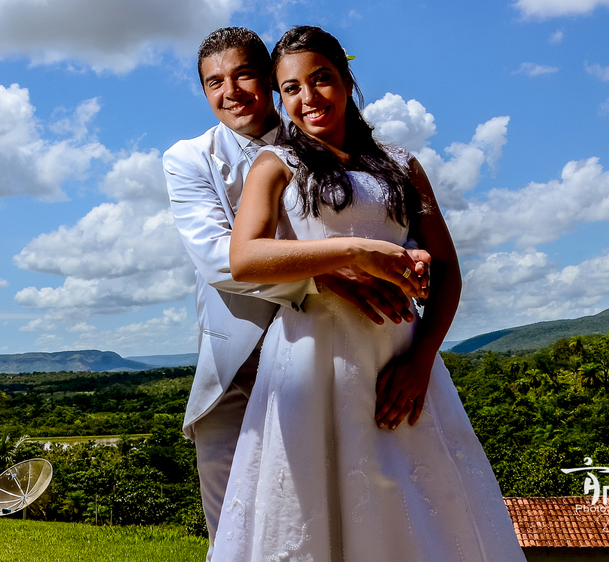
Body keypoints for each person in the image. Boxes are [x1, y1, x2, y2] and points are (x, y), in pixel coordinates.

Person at [212, 26, 525, 562]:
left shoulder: (402, 165)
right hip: (311, 360)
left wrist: (423, 359)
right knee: (311, 507)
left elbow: (447, 271)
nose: (308, 98)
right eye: (291, 89)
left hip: (397, 359)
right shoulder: (276, 164)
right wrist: (354, 252)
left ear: (348, 79)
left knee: (414, 502)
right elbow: (245, 257)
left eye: (322, 79)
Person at [163, 27, 421, 547]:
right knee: (236, 533)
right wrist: (322, 276)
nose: (230, 91)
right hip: (234, 364)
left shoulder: (319, 138)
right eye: (214, 82)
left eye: (244, 75)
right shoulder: (188, 158)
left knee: (338, 519)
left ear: (272, 80)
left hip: (338, 355)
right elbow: (220, 259)